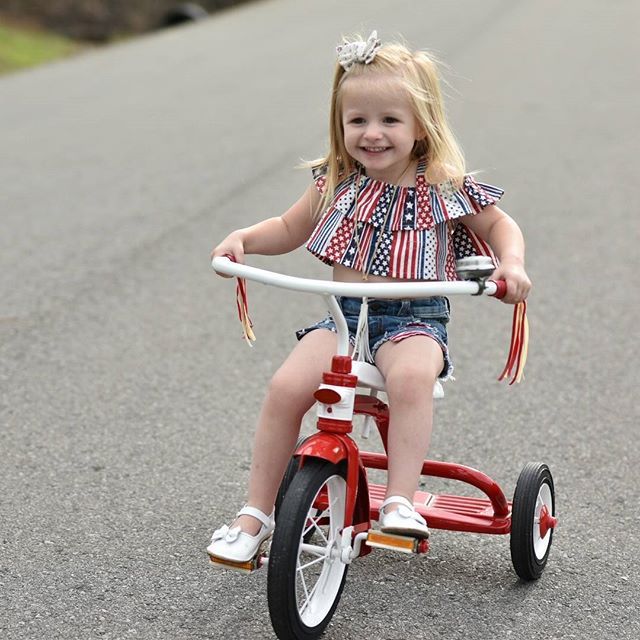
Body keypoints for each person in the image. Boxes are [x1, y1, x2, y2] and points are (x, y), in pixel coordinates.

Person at [207, 31, 531, 563]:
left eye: (389, 121)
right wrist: (244, 240)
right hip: (342, 319)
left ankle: (400, 501)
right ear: (341, 124)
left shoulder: (443, 185)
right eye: (357, 120)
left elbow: (501, 226)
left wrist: (511, 265)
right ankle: (256, 512)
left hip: (413, 321)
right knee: (286, 387)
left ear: (421, 126)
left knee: (408, 379)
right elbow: (288, 229)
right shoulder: (335, 180)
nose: (372, 134)